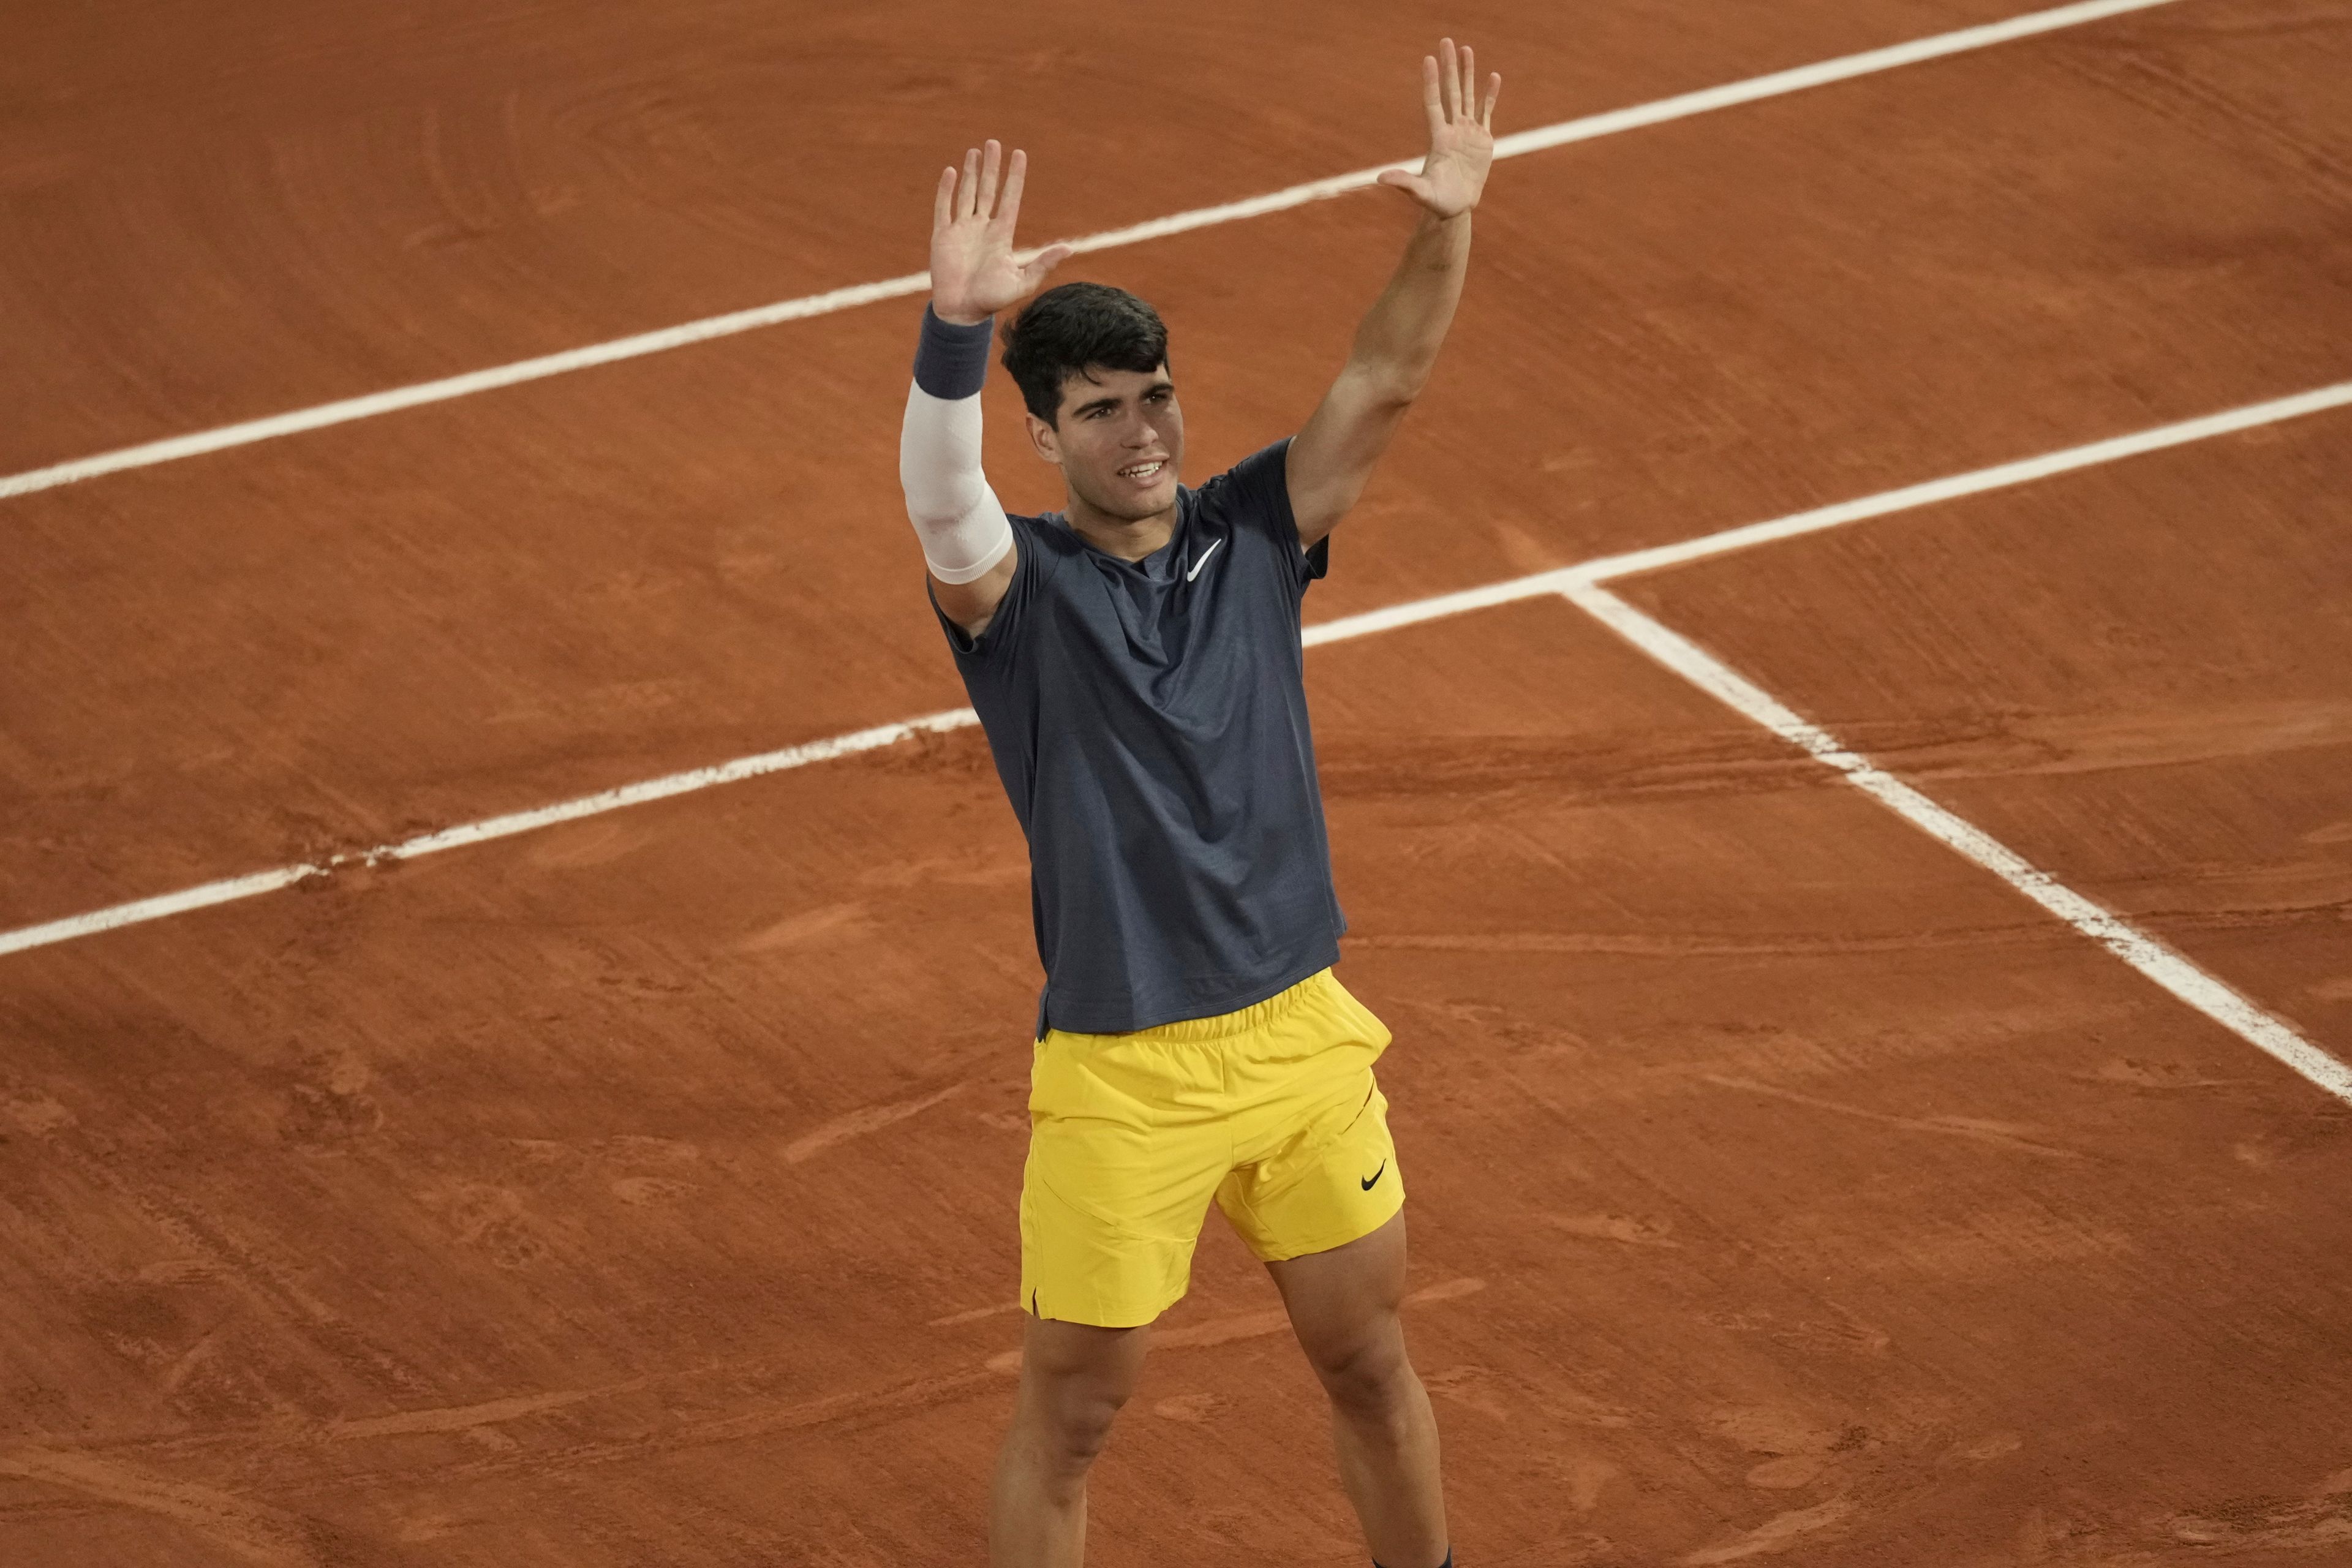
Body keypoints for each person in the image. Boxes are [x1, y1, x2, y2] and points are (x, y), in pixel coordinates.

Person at [896, 40, 1500, 1568]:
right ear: (1047, 433)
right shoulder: (1015, 597)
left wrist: (1449, 216)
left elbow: (1388, 378)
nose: (1144, 430)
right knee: (1074, 1417)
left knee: (1370, 1360)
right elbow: (939, 499)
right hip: (1123, 1072)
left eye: (1155, 396)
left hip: (1302, 1036)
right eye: (1100, 410)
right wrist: (953, 337)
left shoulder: (1252, 530)